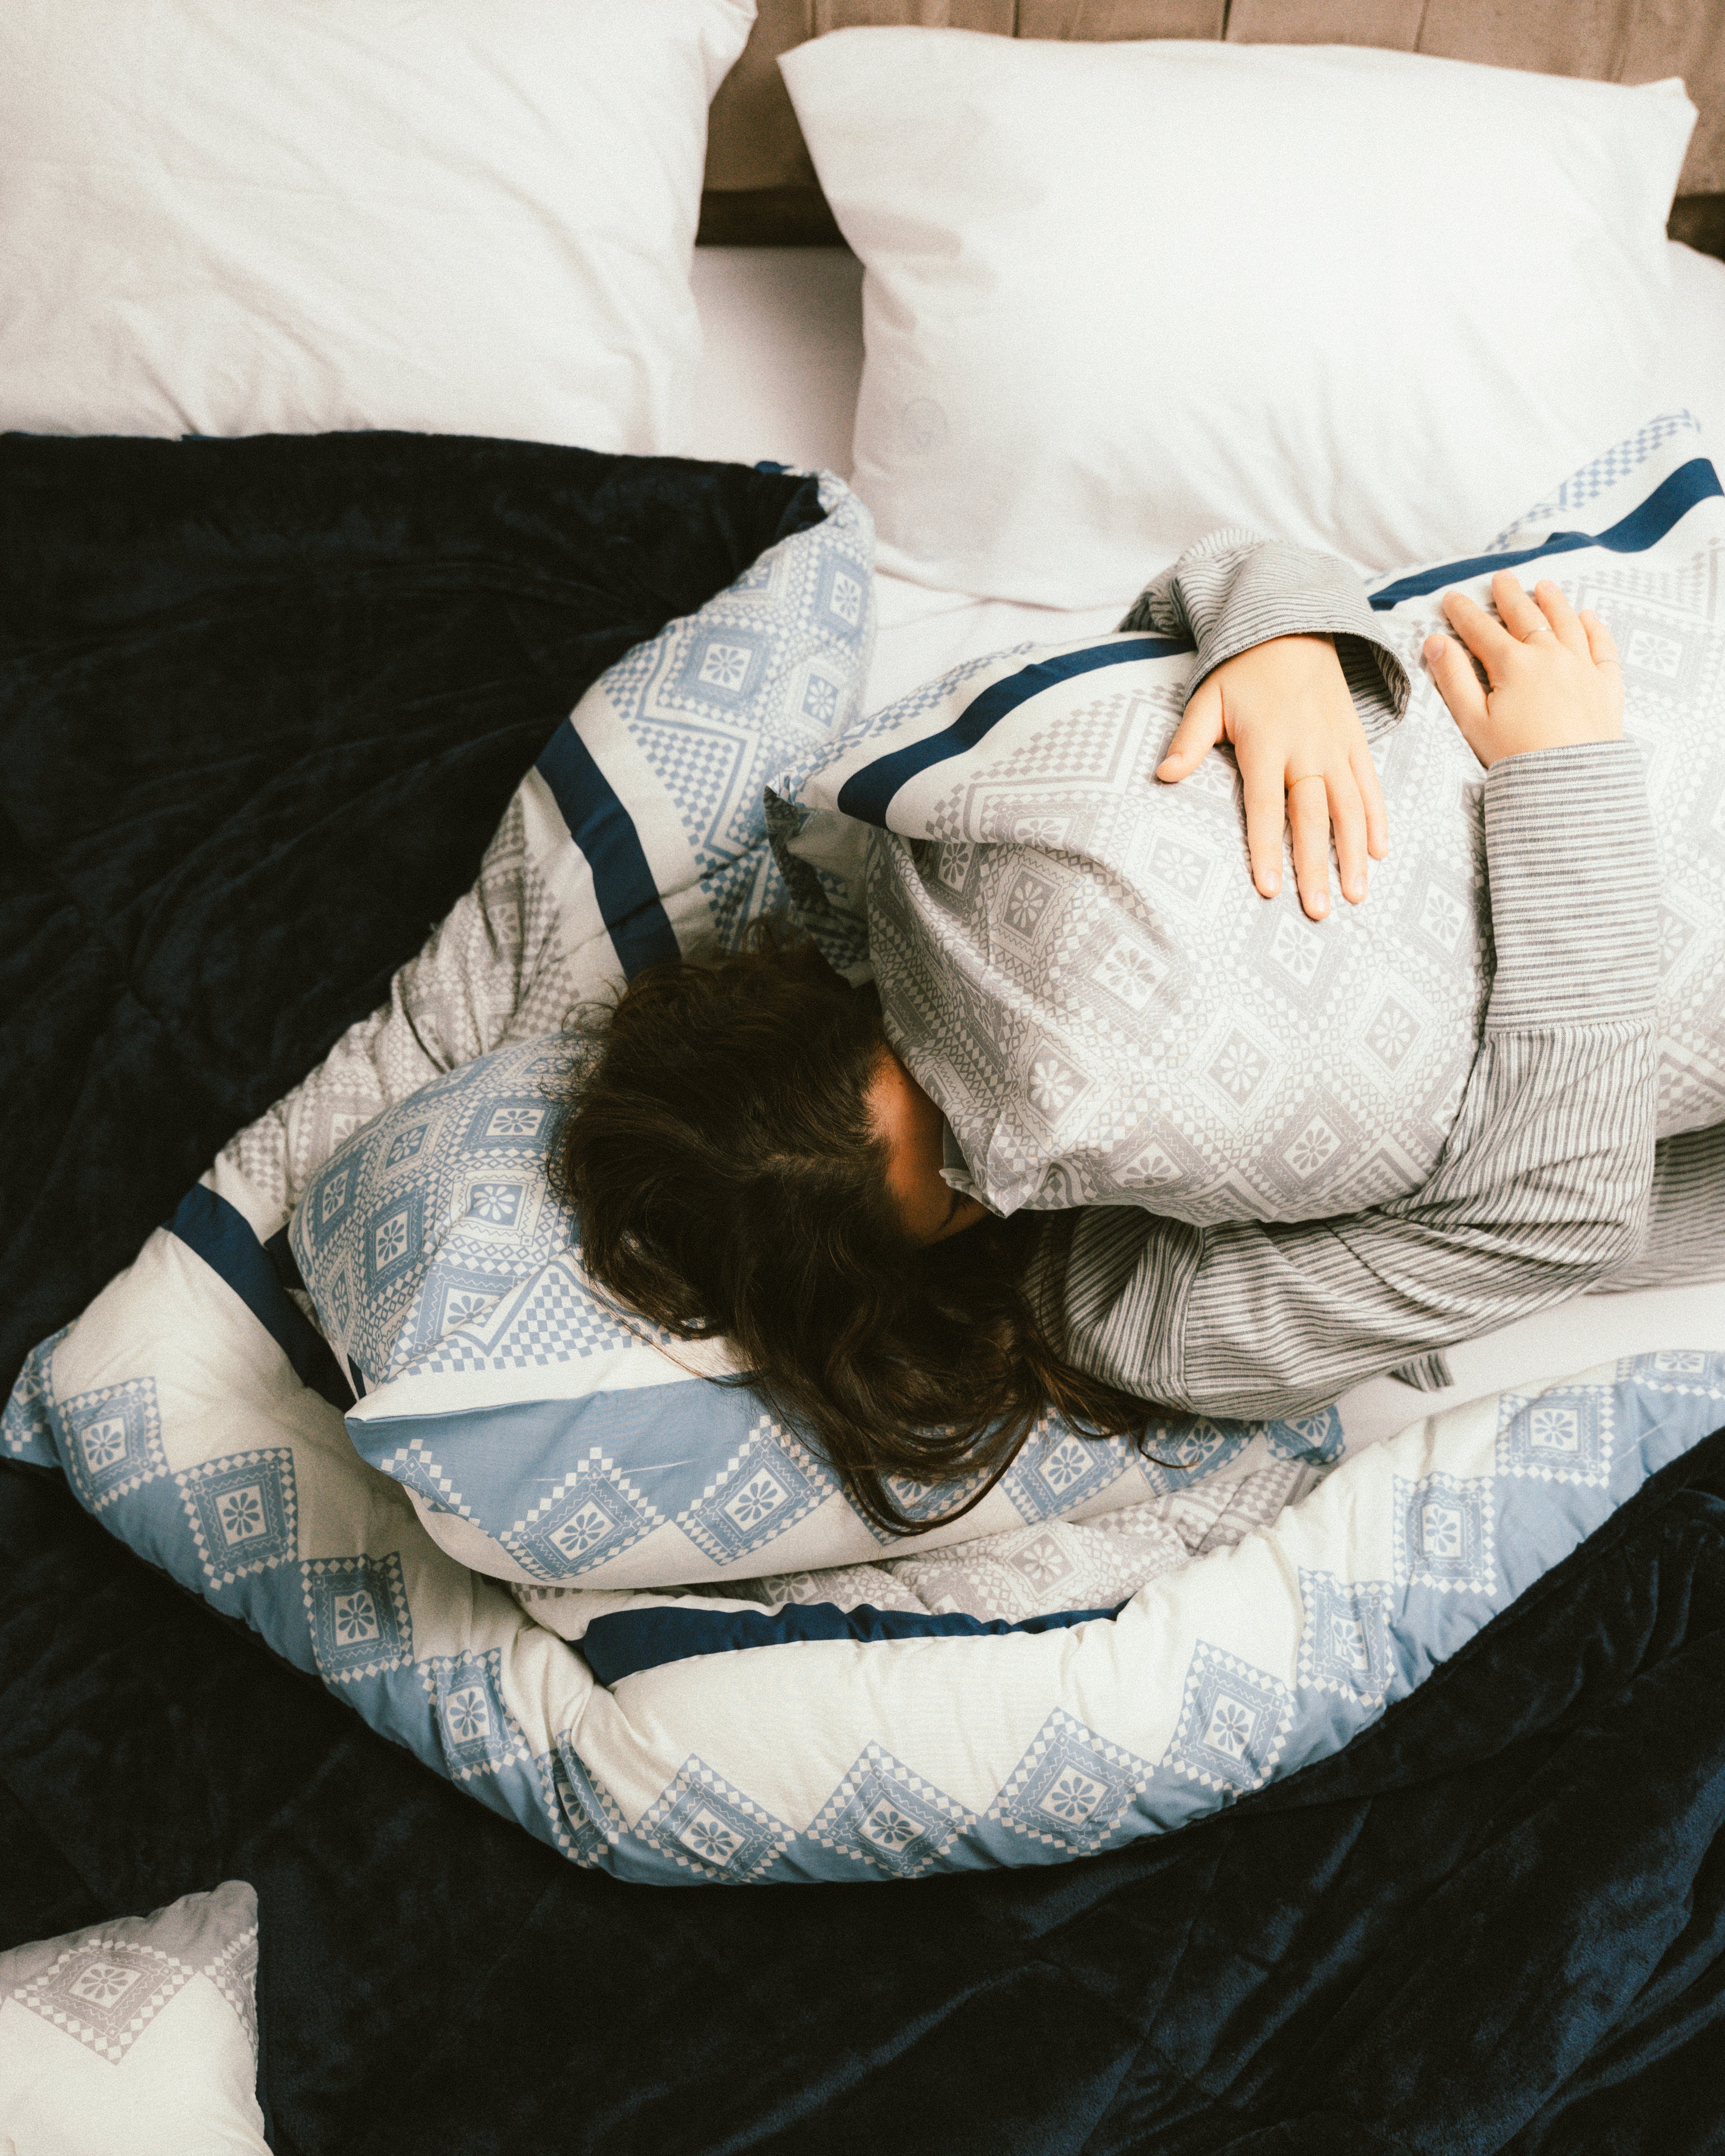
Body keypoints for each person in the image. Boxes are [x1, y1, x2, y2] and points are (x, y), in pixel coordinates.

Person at [559, 557, 1725, 1532]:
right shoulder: (1157, 1322)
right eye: (967, 1188)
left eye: (924, 1055)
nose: (1000, 1113)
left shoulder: (944, 880)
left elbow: (1247, 562)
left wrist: (1272, 645)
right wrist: (1563, 776)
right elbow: (1554, 1217)